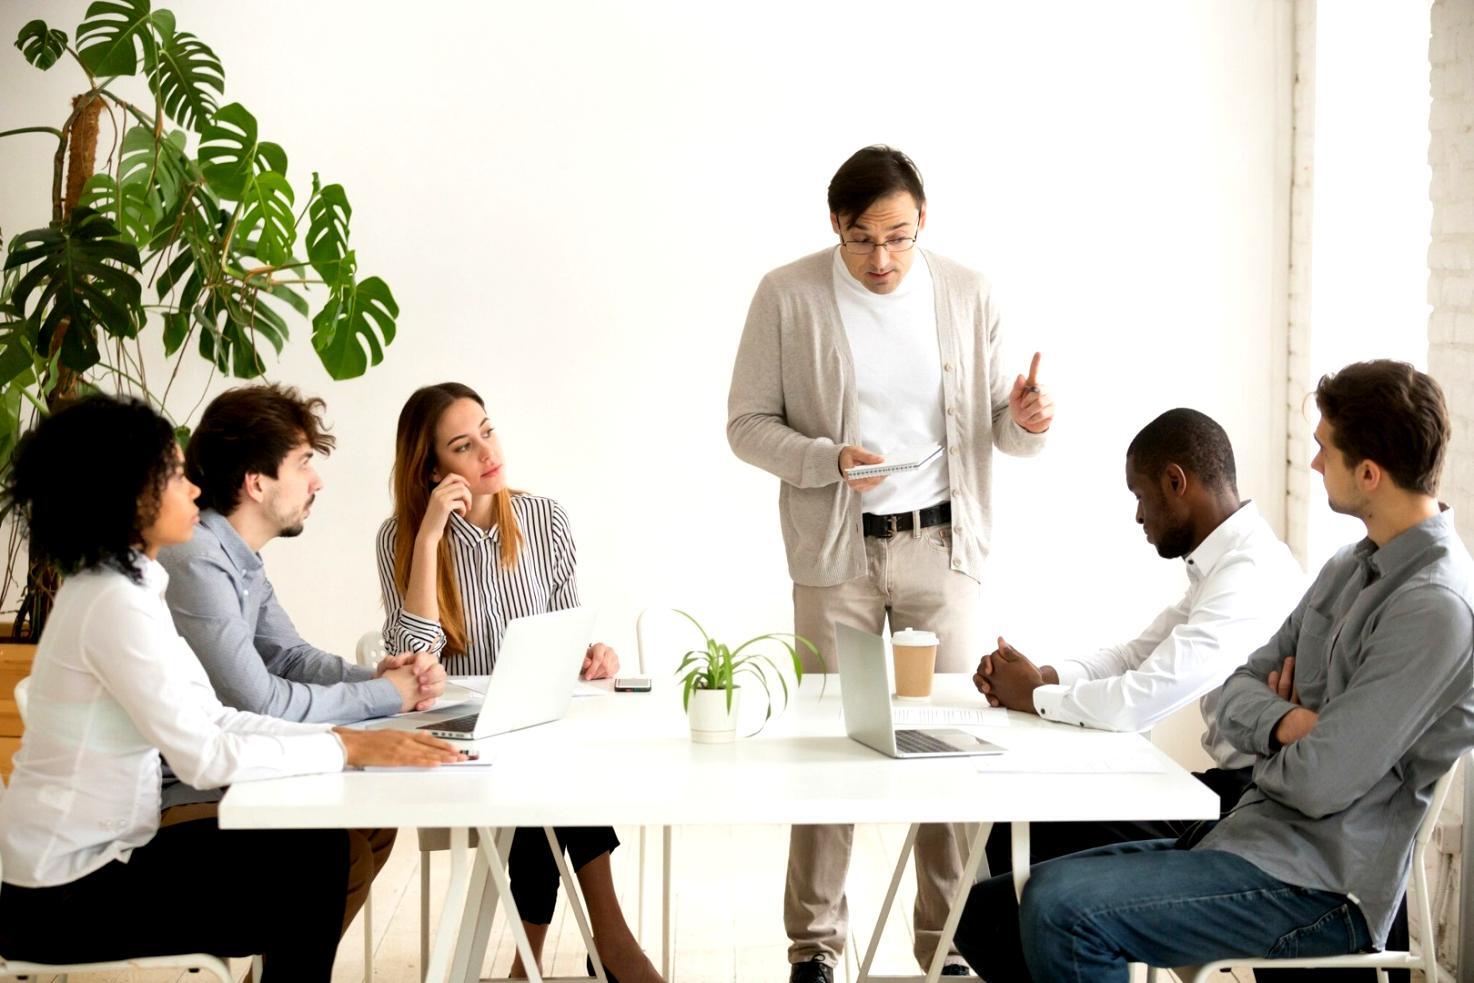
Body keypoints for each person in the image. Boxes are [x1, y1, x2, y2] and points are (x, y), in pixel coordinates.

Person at [955, 360, 1474, 983]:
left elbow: (1319, 782)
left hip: (1323, 883)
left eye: (1324, 450)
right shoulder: (1347, 566)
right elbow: (1235, 690)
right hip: (1257, 835)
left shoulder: (1435, 607)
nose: (1313, 465)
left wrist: (1277, 734)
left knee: (1060, 909)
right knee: (994, 907)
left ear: (1369, 472)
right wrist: (1290, 722)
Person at [726, 144, 1054, 981]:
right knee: (829, 742)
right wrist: (827, 459)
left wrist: (1026, 418)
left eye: (900, 237)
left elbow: (1000, 432)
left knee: (952, 740)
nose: (883, 259)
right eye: (864, 238)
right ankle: (815, 946)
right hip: (834, 554)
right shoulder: (787, 294)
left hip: (943, 547)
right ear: (835, 225)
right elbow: (747, 423)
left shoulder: (968, 292)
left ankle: (947, 945)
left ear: (923, 223)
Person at [0, 394, 462, 978]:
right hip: (65, 898)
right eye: (172, 474)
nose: (194, 488)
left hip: (101, 866)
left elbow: (217, 718)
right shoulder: (111, 602)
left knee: (315, 847)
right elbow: (203, 755)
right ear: (128, 493)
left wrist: (344, 739)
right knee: (314, 856)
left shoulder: (131, 586)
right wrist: (344, 745)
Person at [376, 381, 657, 983]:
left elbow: (564, 633)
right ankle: (608, 944)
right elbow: (413, 661)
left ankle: (536, 967)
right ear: (431, 471)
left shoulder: (542, 518)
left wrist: (593, 656)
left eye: (487, 429)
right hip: (456, 745)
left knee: (550, 775)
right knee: (549, 783)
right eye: (462, 445)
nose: (487, 451)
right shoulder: (400, 538)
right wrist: (429, 537)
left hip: (538, 726)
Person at [158, 383, 446, 936]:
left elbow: (287, 655)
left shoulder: (238, 557)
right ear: (256, 482)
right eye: (303, 463)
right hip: (181, 792)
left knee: (374, 826)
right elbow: (258, 697)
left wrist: (380, 676)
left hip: (230, 764)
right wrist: (389, 696)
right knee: (337, 849)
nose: (317, 480)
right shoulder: (197, 559)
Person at [975, 408, 1303, 874]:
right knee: (1025, 822)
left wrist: (1034, 696)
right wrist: (1041, 676)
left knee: (1030, 828)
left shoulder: (1249, 574)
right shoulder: (1225, 562)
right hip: (1234, 789)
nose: (1138, 515)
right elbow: (1134, 657)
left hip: (1256, 806)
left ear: (1175, 482)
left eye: (1140, 495)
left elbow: (1143, 698)